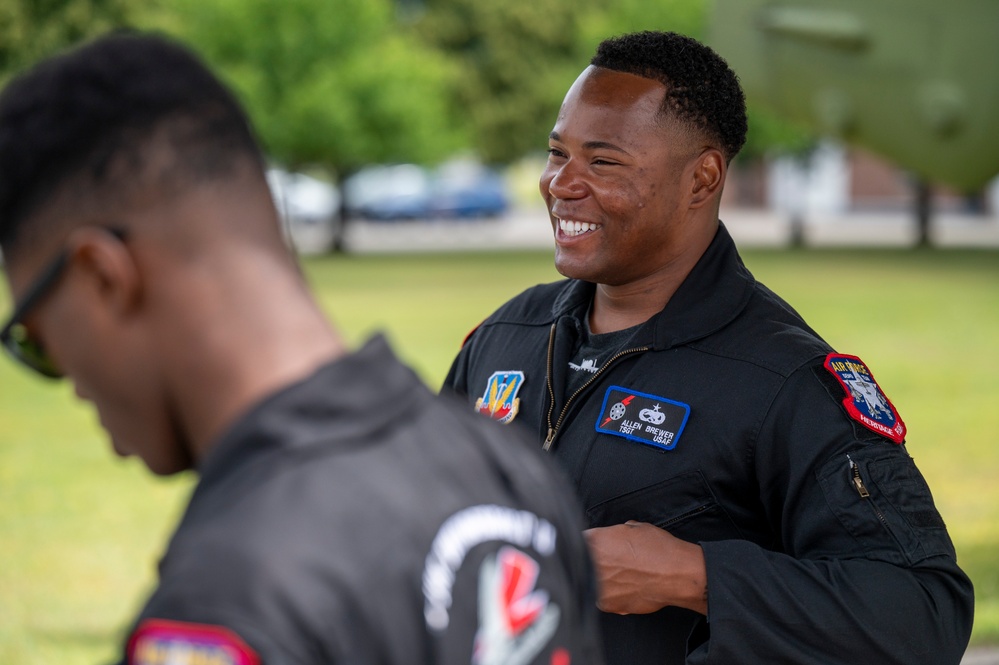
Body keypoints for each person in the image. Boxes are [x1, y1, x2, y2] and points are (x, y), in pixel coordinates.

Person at [0, 32, 605, 665]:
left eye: (37, 343)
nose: (67, 381)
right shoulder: (509, 470)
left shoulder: (232, 597)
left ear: (102, 277)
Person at [444, 30, 974, 664]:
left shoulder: (784, 379)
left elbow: (924, 612)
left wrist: (693, 577)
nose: (562, 183)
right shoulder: (505, 338)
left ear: (702, 177)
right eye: (558, 153)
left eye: (603, 161)